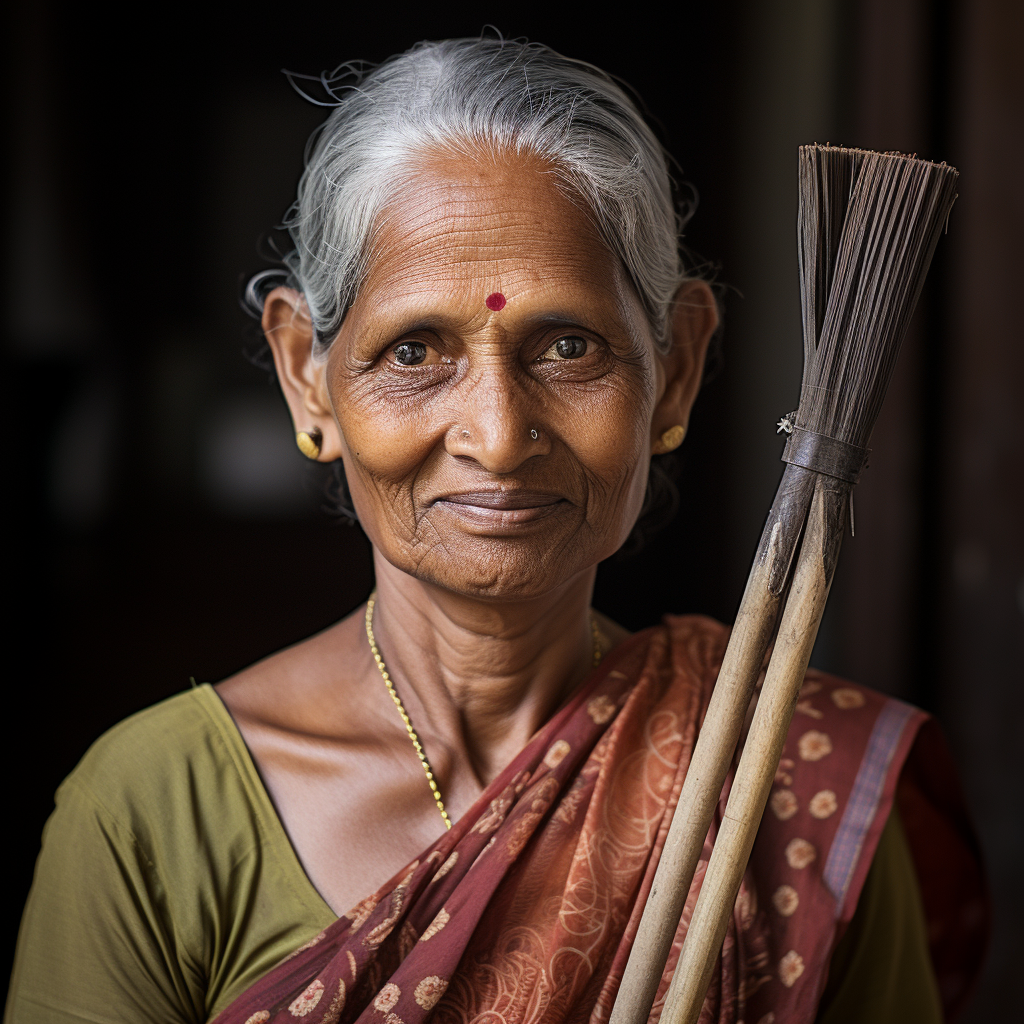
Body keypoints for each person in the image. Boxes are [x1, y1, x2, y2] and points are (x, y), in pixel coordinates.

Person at [5, 37, 986, 1024]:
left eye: (568, 345)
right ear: (308, 373)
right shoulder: (154, 815)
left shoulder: (783, 785)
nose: (499, 436)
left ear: (676, 368)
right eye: (416, 350)